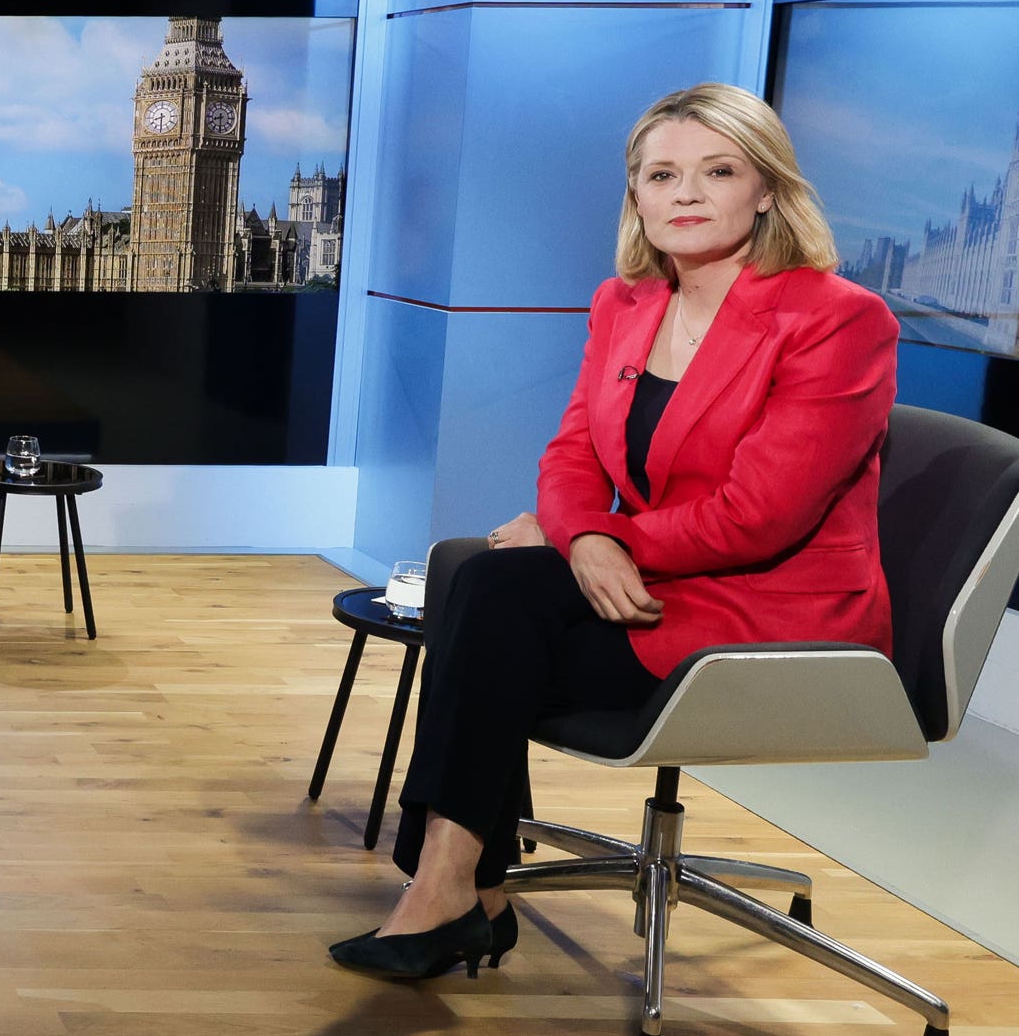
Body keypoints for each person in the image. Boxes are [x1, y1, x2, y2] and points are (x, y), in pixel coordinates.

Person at [331, 83, 896, 983]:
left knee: (490, 622)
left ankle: (459, 890)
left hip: (771, 615)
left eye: (718, 171)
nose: (687, 193)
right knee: (482, 581)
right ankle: (454, 887)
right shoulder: (626, 303)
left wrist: (595, 542)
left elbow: (762, 515)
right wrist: (584, 534)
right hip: (659, 576)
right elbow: (569, 459)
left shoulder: (836, 320)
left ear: (767, 190)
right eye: (661, 174)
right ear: (635, 194)